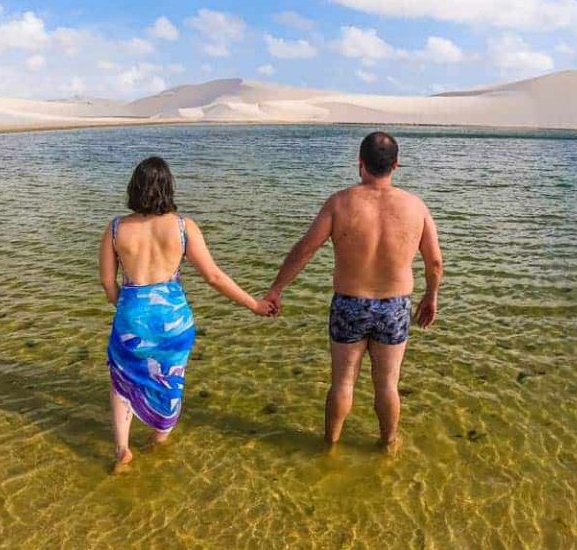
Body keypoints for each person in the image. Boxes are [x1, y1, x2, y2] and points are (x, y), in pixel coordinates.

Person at [265, 132, 443, 450]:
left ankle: (330, 446)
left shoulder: (340, 202)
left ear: (360, 164)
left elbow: (305, 249)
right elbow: (435, 263)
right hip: (395, 305)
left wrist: (277, 289)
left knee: (342, 382)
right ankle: (388, 444)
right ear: (396, 165)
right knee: (388, 384)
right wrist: (431, 296)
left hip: (349, 303)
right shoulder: (416, 206)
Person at [100, 156, 275, 471]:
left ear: (134, 187)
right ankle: (159, 440)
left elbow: (106, 282)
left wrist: (127, 308)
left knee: (122, 380)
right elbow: (214, 277)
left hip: (132, 316)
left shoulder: (116, 229)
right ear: (168, 187)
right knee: (169, 380)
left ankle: (122, 449)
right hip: (174, 321)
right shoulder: (184, 227)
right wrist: (255, 304)